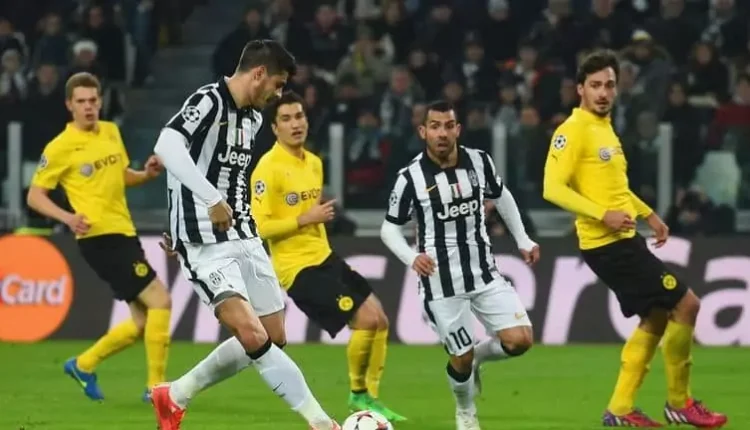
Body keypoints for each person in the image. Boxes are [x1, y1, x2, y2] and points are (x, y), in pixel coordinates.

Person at [150, 40, 340, 430]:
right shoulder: (209, 100)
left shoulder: (252, 118)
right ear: (258, 74)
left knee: (273, 335)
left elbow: (228, 175)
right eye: (278, 84)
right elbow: (167, 146)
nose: (279, 94)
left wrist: (223, 208)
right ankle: (321, 422)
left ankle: (176, 394)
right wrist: (204, 205)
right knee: (252, 334)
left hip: (246, 236)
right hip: (205, 244)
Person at [542, 49, 728, 428]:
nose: (603, 92)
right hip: (607, 244)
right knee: (687, 305)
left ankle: (621, 408)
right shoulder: (572, 131)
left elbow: (615, 189)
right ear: (580, 89)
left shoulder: (605, 128)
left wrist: (648, 214)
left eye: (609, 85)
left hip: (624, 239)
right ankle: (680, 402)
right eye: (595, 85)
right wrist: (602, 215)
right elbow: (552, 188)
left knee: (656, 316)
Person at [380, 100, 539, 430]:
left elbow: (501, 195)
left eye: (448, 126)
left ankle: (479, 356)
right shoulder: (410, 178)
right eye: (434, 126)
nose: (442, 133)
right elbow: (389, 229)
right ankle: (466, 412)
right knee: (460, 358)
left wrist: (523, 239)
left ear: (458, 129)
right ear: (423, 131)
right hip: (441, 283)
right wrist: (412, 257)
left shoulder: (479, 161)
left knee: (520, 340)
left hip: (484, 274)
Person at [249, 90, 406, 421]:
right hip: (297, 269)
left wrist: (316, 223)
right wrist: (304, 219)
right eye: (286, 119)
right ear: (275, 128)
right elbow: (260, 227)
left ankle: (370, 399)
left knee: (380, 320)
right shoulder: (267, 169)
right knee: (365, 321)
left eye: (299, 116)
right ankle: (358, 395)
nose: (295, 124)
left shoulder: (314, 162)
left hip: (325, 257)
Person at [26, 72, 172, 403]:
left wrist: (145, 175)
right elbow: (35, 196)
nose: (89, 107)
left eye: (93, 100)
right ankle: (156, 388)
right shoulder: (60, 147)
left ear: (101, 101)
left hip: (124, 231)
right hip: (99, 237)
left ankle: (83, 364)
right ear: (69, 105)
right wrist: (67, 217)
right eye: (81, 101)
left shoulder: (110, 131)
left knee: (141, 321)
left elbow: (121, 177)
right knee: (161, 300)